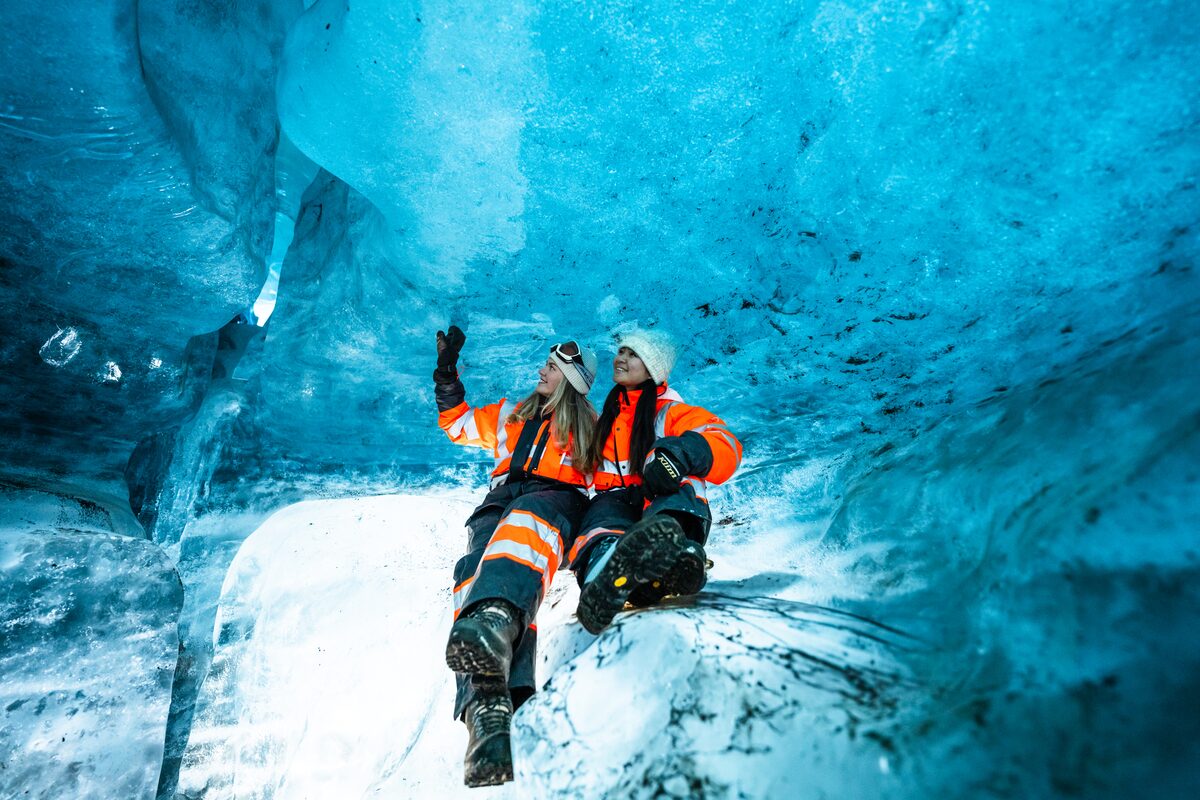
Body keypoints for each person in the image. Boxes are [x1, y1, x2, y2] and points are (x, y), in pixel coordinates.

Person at [434, 325, 599, 787]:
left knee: (523, 530)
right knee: (472, 573)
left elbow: (619, 471)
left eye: (552, 367)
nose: (541, 371)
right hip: (498, 502)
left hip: (554, 502)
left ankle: (492, 634)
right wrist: (446, 372)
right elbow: (458, 424)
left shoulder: (592, 427)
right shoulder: (512, 414)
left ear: (571, 379)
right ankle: (488, 715)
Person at [569, 328, 742, 634]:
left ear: (652, 370)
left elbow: (725, 442)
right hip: (618, 502)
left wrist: (680, 454)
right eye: (621, 351)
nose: (620, 358)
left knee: (673, 470)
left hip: (658, 500)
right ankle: (607, 575)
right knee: (600, 516)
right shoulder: (606, 417)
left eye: (632, 354)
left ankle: (673, 550)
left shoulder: (670, 410)